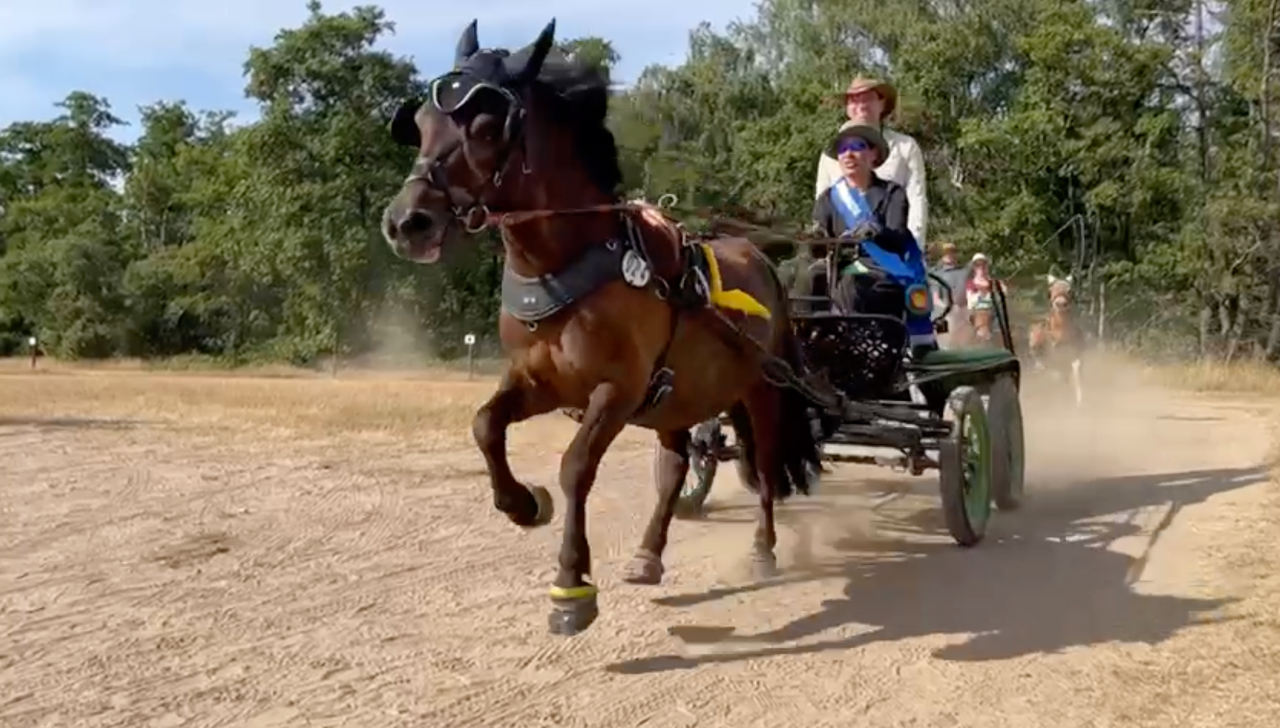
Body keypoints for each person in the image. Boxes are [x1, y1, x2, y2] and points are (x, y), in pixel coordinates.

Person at [810, 124, 936, 352]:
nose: (848, 154)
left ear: (873, 155)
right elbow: (817, 241)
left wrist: (874, 231)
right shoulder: (828, 199)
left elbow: (897, 238)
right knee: (796, 277)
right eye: (842, 149)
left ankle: (851, 351)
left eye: (857, 147)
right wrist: (814, 239)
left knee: (851, 284)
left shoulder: (892, 193)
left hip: (884, 272)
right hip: (837, 268)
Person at [814, 76, 928, 255]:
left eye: (867, 97)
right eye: (853, 99)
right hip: (840, 255)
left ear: (882, 104)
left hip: (891, 253)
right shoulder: (830, 153)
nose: (860, 104)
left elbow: (917, 199)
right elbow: (822, 203)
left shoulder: (906, 147)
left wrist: (913, 251)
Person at [930, 242, 969, 347]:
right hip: (943, 315)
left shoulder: (963, 272)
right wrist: (951, 309)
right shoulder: (936, 273)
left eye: (952, 252)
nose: (949, 255)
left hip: (962, 313)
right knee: (945, 342)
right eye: (946, 252)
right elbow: (935, 298)